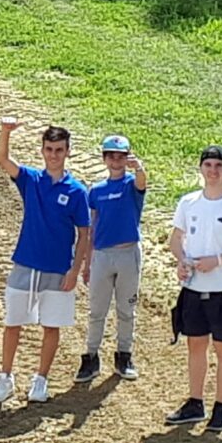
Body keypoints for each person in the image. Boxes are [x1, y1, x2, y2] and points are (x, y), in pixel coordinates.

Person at [0, 120, 90, 404]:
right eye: (49, 149)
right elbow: (2, 160)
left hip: (58, 270)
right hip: (25, 264)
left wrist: (75, 270)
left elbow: (84, 234)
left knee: (51, 326)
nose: (53, 154)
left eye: (59, 149)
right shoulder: (31, 180)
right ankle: (5, 377)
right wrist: (5, 132)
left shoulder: (77, 192)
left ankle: (40, 380)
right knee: (13, 323)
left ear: (68, 151)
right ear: (42, 151)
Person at [167, 146, 222, 433]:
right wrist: (181, 261)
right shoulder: (188, 203)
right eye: (208, 164)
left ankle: (221, 407)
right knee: (195, 345)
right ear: (201, 169)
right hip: (194, 288)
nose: (213, 170)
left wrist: (217, 261)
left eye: (219, 165)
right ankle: (195, 402)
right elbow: (176, 238)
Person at [76, 135, 147, 383]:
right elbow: (91, 228)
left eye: (121, 156)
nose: (116, 161)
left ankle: (124, 355)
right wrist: (87, 262)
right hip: (102, 256)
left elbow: (142, 182)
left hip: (128, 254)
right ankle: (91, 357)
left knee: (126, 309)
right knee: (97, 310)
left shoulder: (131, 185)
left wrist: (138, 167)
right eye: (111, 156)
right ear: (105, 159)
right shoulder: (95, 191)